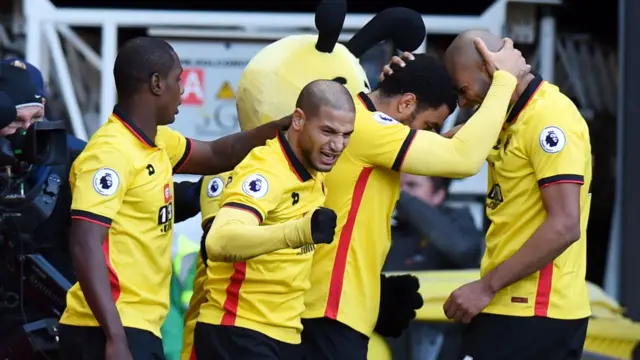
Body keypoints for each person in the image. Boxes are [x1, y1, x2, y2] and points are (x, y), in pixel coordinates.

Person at [57, 36, 291, 360]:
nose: (182, 90)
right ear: (156, 84)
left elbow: (215, 154)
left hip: (139, 327)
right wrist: (114, 338)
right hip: (103, 329)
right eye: (178, 79)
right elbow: (84, 243)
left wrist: (281, 129)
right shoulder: (110, 152)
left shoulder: (157, 141)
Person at [301, 42, 530, 360]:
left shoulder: (356, 119)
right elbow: (463, 159)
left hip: (329, 308)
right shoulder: (370, 129)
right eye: (430, 127)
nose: (431, 137)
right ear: (406, 104)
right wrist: (504, 80)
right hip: (329, 310)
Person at [441, 30, 592, 360]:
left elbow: (565, 225)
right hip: (506, 305)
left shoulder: (550, 119)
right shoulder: (507, 116)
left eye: (461, 89)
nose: (462, 102)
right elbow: (439, 149)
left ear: (487, 66)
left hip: (536, 311)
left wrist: (485, 287)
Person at [194, 79, 355, 360]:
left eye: (346, 135)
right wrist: (299, 231)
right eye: (328, 131)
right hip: (238, 329)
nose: (337, 145)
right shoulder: (266, 170)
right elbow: (219, 241)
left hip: (285, 332)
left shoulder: (314, 170)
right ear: (298, 120)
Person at [384, 174, 483, 271]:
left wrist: (404, 198)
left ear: (438, 194)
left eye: (412, 185)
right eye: (396, 186)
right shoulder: (386, 232)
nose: (400, 192)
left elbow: (463, 250)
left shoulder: (458, 221)